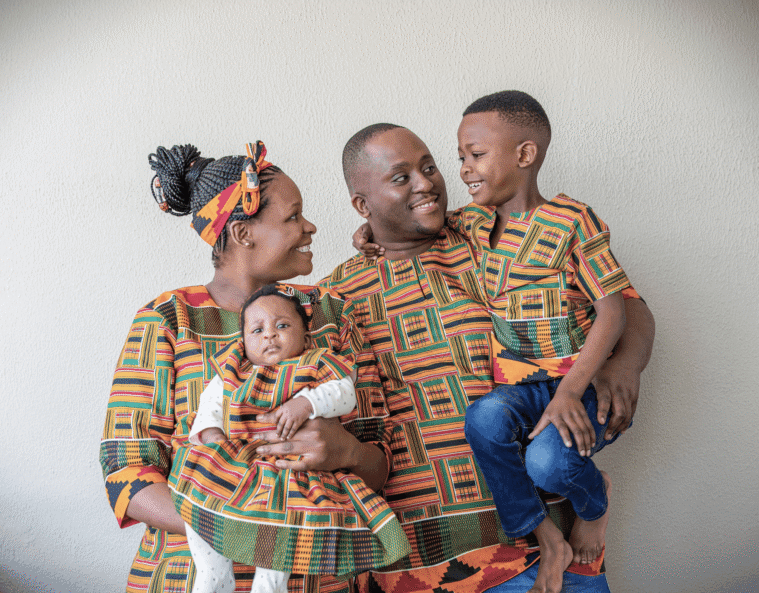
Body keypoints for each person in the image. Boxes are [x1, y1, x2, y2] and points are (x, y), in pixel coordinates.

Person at [325, 123, 654, 593]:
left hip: (546, 549)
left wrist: (624, 366)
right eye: (401, 178)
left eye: (429, 167)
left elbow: (626, 304)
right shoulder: (335, 298)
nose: (426, 183)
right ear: (363, 205)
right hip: (418, 561)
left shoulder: (486, 233)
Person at [100, 141, 391, 593]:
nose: (310, 226)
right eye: (293, 216)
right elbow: (125, 472)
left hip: (320, 580)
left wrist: (347, 452)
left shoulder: (333, 314)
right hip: (187, 578)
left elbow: (381, 460)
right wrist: (239, 520)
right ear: (242, 233)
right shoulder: (169, 320)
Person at [453, 90, 633, 593]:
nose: (465, 168)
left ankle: (594, 503)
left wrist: (571, 391)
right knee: (483, 420)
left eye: (476, 154)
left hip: (580, 385)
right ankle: (545, 537)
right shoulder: (473, 223)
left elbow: (613, 310)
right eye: (461, 156)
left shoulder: (572, 219)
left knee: (549, 464)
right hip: (521, 388)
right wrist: (368, 233)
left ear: (525, 154)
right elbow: (418, 222)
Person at [175, 283, 409, 593]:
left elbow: (344, 394)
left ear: (307, 338)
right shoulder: (233, 373)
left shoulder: (315, 363)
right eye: (257, 330)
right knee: (197, 498)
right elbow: (210, 405)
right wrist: (212, 435)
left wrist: (308, 403)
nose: (269, 335)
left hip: (289, 471)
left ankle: (270, 585)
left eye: (282, 326)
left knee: (284, 523)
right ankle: (213, 573)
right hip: (237, 465)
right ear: (243, 343)